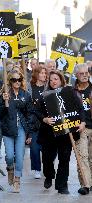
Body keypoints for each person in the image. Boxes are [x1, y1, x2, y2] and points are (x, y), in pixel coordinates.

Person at [37, 70, 85, 194]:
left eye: (56, 79)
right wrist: (45, 119)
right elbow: (36, 111)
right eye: (51, 79)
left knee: (64, 159)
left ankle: (62, 186)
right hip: (49, 133)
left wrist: (82, 122)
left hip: (66, 133)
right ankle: (49, 175)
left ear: (61, 80)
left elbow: (80, 109)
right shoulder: (44, 96)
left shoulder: (70, 93)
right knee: (47, 158)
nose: (54, 81)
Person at [0, 70, 33, 193]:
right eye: (14, 80)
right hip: (7, 128)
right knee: (10, 155)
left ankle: (17, 179)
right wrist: (3, 102)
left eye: (19, 79)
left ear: (22, 80)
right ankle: (10, 168)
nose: (17, 82)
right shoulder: (5, 94)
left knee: (20, 155)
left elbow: (29, 114)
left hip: (21, 128)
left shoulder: (26, 95)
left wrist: (30, 133)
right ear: (10, 81)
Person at [74, 63, 92, 195]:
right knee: (82, 156)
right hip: (80, 128)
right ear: (76, 75)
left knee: (91, 157)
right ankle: (86, 184)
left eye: (86, 73)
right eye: (82, 73)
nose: (85, 75)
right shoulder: (72, 91)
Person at [30, 66, 47, 179]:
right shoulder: (30, 88)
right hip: (34, 122)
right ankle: (36, 168)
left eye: (45, 73)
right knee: (34, 148)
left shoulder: (48, 88)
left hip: (46, 122)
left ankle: (46, 167)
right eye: (42, 73)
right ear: (36, 74)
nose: (44, 75)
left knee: (47, 148)